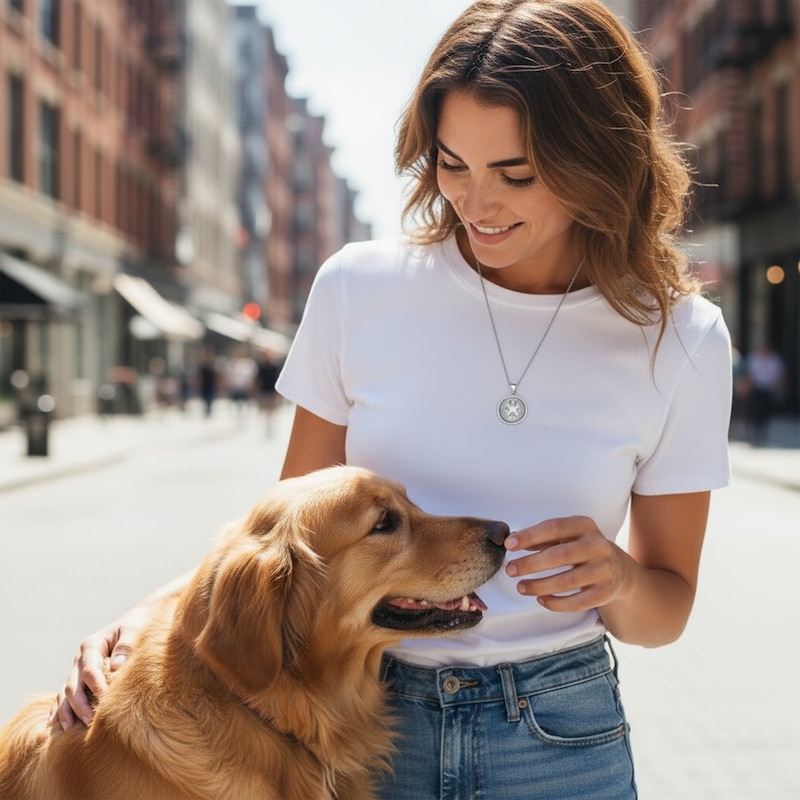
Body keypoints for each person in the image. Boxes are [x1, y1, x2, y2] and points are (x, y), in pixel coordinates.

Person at [53, 1, 732, 797]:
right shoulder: (360, 288)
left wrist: (616, 577)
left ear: (602, 160)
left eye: (516, 174)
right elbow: (287, 534)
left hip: (557, 736)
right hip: (360, 728)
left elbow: (667, 610)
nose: (476, 205)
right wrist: (154, 613)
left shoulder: (683, 338)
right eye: (451, 164)